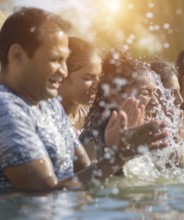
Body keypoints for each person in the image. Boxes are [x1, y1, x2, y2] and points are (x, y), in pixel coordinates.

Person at [0, 7, 168, 191]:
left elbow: (86, 173)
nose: (63, 71)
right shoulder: (6, 110)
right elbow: (44, 194)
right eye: (55, 60)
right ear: (17, 56)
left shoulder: (48, 105)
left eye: (65, 61)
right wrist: (118, 157)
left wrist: (120, 152)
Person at [80, 49, 161, 162]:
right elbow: (86, 179)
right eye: (145, 93)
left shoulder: (145, 136)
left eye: (154, 93)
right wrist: (118, 155)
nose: (155, 101)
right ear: (114, 96)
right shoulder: (91, 142)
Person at [59, 36, 101, 132]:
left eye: (99, 76)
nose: (97, 84)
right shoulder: (48, 118)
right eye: (88, 78)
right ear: (62, 75)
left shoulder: (89, 115)